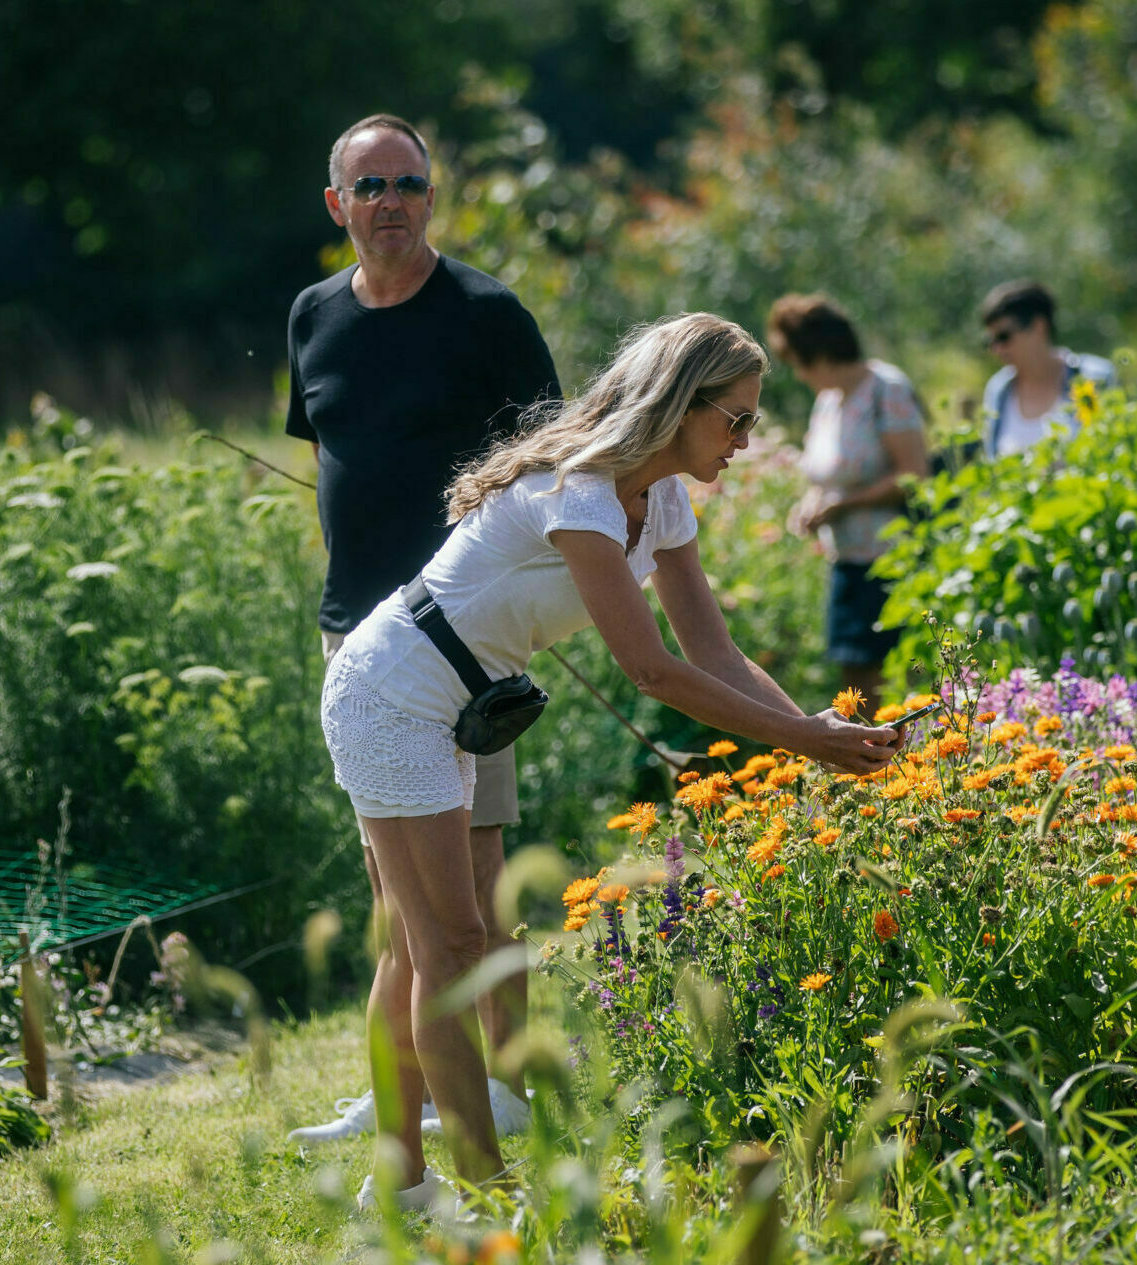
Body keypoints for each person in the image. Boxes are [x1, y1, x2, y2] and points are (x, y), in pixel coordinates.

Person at [320, 313, 904, 1210]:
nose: (745, 442)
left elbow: (710, 648)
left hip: (451, 700)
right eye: (734, 420)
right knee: (451, 943)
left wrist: (814, 734)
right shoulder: (580, 492)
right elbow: (651, 668)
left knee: (421, 943)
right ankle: (482, 1192)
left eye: (751, 422)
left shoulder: (661, 498)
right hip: (389, 690)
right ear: (678, 404)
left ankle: (398, 1185)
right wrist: (807, 741)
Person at [282, 114, 560, 1152]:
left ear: (430, 197)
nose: (390, 199)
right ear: (337, 204)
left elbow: (549, 462)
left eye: (408, 182)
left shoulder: (487, 314)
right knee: (396, 894)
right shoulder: (313, 315)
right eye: (370, 185)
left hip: (463, 643)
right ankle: (409, 1085)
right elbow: (329, 455)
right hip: (355, 641)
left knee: (475, 889)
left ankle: (506, 1085)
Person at [769, 294, 930, 709]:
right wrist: (811, 504)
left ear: (821, 354)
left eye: (798, 362)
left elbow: (914, 473)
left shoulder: (885, 389)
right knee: (854, 679)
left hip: (893, 560)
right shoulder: (828, 402)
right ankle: (872, 764)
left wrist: (844, 505)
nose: (799, 374)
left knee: (898, 678)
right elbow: (825, 475)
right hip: (846, 561)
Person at [977, 279, 1113, 458]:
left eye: (1004, 337)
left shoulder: (1095, 376)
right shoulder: (998, 390)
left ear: (1039, 326)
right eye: (991, 341)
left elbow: (1112, 452)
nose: (996, 349)